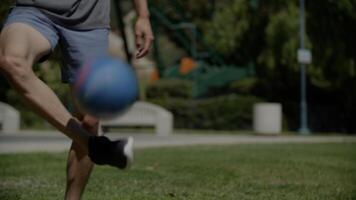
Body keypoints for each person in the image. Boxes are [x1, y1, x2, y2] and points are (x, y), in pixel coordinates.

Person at [0, 0, 154, 199]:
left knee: (89, 120)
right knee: (12, 60)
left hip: (88, 21)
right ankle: (96, 146)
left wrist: (142, 15)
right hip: (35, 8)